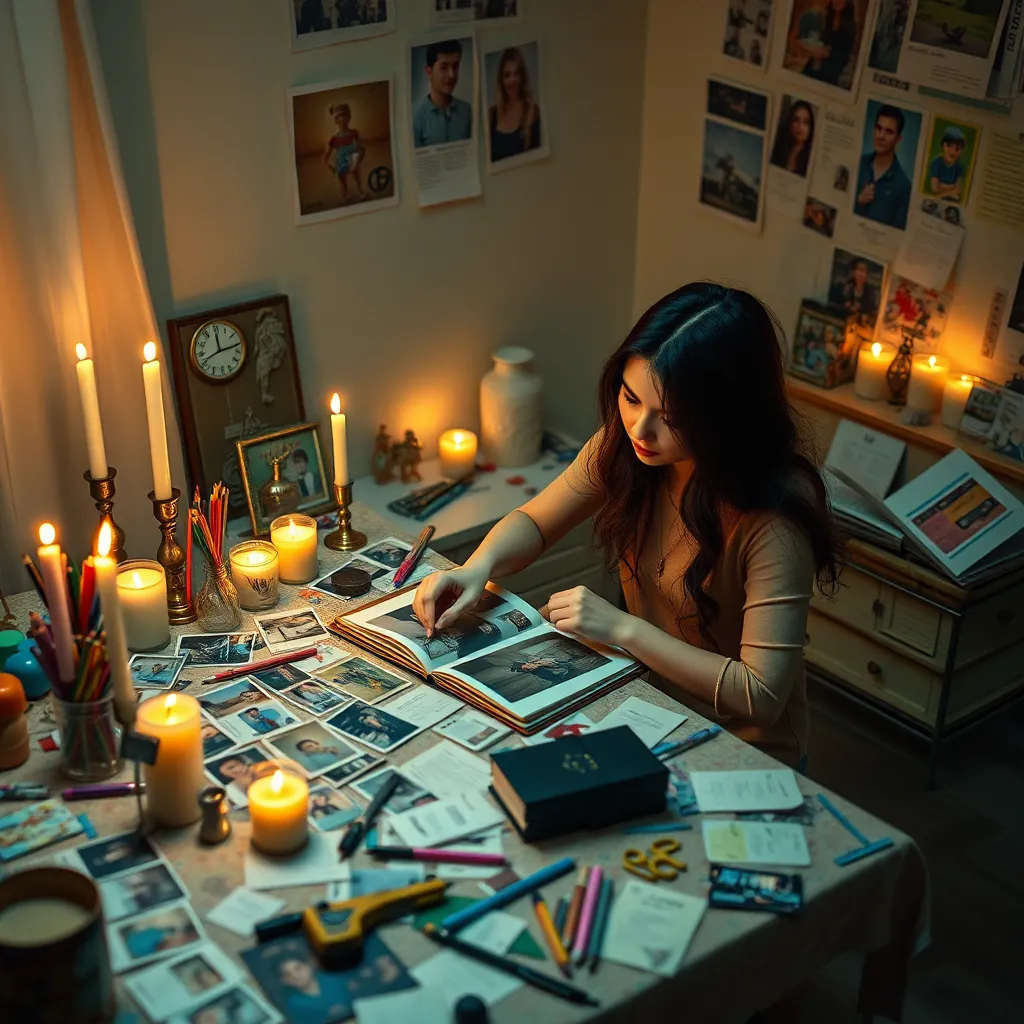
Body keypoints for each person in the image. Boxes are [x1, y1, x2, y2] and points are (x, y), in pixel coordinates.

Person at [414, 283, 839, 768]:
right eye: (630, 397)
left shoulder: (773, 515)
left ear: (726, 416)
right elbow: (536, 519)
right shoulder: (628, 448)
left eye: (671, 417)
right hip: (650, 712)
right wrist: (477, 567)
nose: (640, 428)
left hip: (745, 752)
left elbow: (760, 694)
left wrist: (620, 628)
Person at [854, 104, 911, 229]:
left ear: (898, 139)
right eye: (878, 128)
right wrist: (858, 202)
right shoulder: (857, 163)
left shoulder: (903, 186)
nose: (881, 136)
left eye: (889, 132)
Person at [413, 39, 473, 147]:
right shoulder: (416, 117)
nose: (451, 75)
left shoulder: (467, 111)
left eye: (455, 66)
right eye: (444, 67)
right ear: (429, 72)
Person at [488, 48, 541, 163]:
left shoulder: (533, 112)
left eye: (516, 74)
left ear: (522, 77)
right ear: (501, 80)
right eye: (507, 75)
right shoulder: (491, 115)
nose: (512, 80)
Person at [791, 0, 858, 86]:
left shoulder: (850, 27)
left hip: (832, 69)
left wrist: (824, 54)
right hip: (815, 62)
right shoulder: (826, 17)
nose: (836, 1)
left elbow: (843, 55)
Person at [277, 955, 350, 1021]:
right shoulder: (294, 1004)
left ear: (309, 965)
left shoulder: (335, 979)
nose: (295, 976)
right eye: (288, 974)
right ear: (285, 981)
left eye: (298, 968)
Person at [321, 102, 366, 205]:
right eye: (337, 117)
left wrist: (361, 152)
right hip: (341, 162)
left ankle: (361, 192)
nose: (341, 119)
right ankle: (344, 197)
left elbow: (360, 145)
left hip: (352, 159)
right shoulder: (334, 138)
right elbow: (326, 155)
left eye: (343, 115)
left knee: (357, 175)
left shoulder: (354, 132)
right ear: (335, 121)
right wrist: (328, 165)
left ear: (349, 116)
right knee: (342, 181)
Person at [769, 99, 815, 177]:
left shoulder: (811, 157)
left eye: (806, 122)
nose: (800, 127)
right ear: (790, 122)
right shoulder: (778, 146)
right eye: (796, 120)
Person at [828, 257, 878, 325]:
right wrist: (845, 304)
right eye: (859, 270)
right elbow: (832, 303)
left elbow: (871, 311)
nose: (861, 274)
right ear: (853, 272)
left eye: (864, 271)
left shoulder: (870, 293)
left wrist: (860, 310)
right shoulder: (843, 287)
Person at [928, 125, 966, 201]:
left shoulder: (959, 166)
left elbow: (958, 189)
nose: (953, 152)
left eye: (957, 149)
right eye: (949, 146)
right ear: (944, 146)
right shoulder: (936, 163)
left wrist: (941, 193)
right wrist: (951, 188)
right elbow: (934, 188)